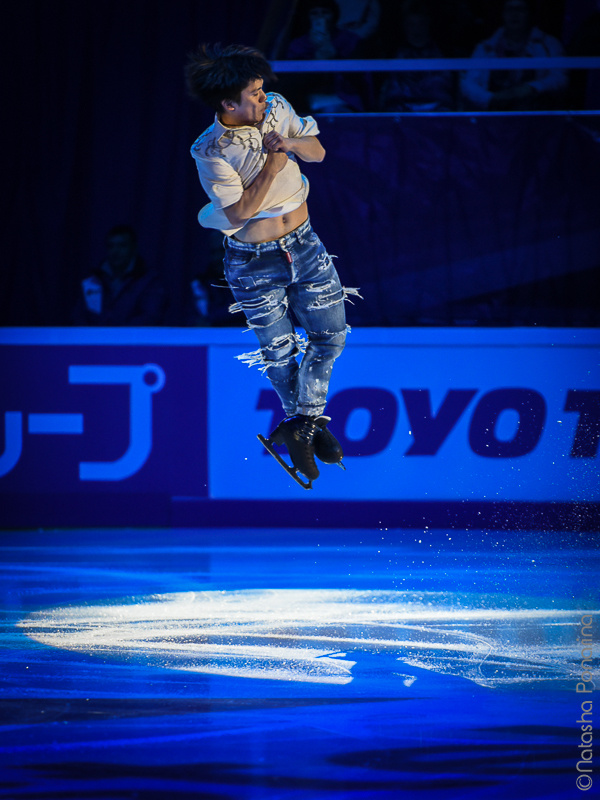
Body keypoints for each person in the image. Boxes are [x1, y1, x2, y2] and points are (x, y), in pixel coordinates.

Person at [185, 43, 358, 486]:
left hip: (305, 243)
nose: (264, 99)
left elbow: (317, 153)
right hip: (252, 260)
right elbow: (240, 212)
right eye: (255, 94)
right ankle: (304, 426)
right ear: (229, 104)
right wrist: (276, 159)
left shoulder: (278, 108)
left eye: (263, 91)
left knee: (330, 336)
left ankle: (303, 424)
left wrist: (291, 142)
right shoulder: (210, 150)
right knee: (280, 352)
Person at [460, 0, 568, 110]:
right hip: (495, 116)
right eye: (510, 9)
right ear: (503, 14)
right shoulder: (485, 47)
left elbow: (560, 77)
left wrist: (531, 88)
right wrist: (492, 99)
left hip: (536, 115)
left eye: (520, 9)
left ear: (530, 14)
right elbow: (469, 83)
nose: (514, 14)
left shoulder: (549, 44)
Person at [71, 225, 167, 326]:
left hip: (131, 341)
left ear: (134, 248)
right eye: (111, 246)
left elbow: (150, 318)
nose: (115, 251)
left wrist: (114, 335)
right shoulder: (93, 282)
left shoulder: (149, 282)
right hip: (94, 341)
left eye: (122, 246)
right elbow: (78, 316)